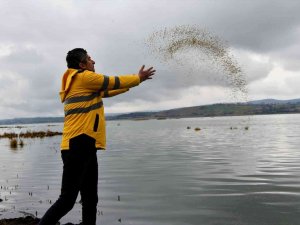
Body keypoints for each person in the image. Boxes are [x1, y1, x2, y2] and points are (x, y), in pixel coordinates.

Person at [38, 48, 156, 225]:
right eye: (90, 59)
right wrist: (138, 78)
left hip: (86, 144)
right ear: (82, 64)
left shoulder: (85, 84)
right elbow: (111, 81)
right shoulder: (84, 77)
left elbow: (110, 89)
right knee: (67, 201)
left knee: (90, 198)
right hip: (77, 144)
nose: (94, 62)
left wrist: (133, 83)